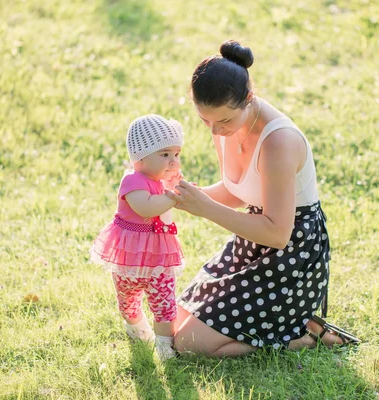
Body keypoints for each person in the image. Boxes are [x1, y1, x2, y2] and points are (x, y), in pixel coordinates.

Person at [165, 40, 360, 357]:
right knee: (175, 325)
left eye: (223, 121)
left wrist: (206, 209)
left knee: (189, 345)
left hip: (293, 254)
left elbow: (277, 233)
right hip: (252, 240)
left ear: (249, 99)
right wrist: (183, 195)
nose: (215, 131)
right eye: (205, 120)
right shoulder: (227, 125)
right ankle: (290, 322)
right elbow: (235, 189)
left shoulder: (278, 142)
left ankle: (304, 336)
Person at [90, 114, 185, 360]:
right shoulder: (132, 181)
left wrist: (178, 189)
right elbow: (146, 207)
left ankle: (165, 346)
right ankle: (136, 326)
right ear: (140, 157)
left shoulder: (162, 182)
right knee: (128, 300)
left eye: (176, 154)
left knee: (165, 302)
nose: (173, 161)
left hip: (159, 256)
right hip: (130, 257)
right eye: (165, 155)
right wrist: (172, 195)